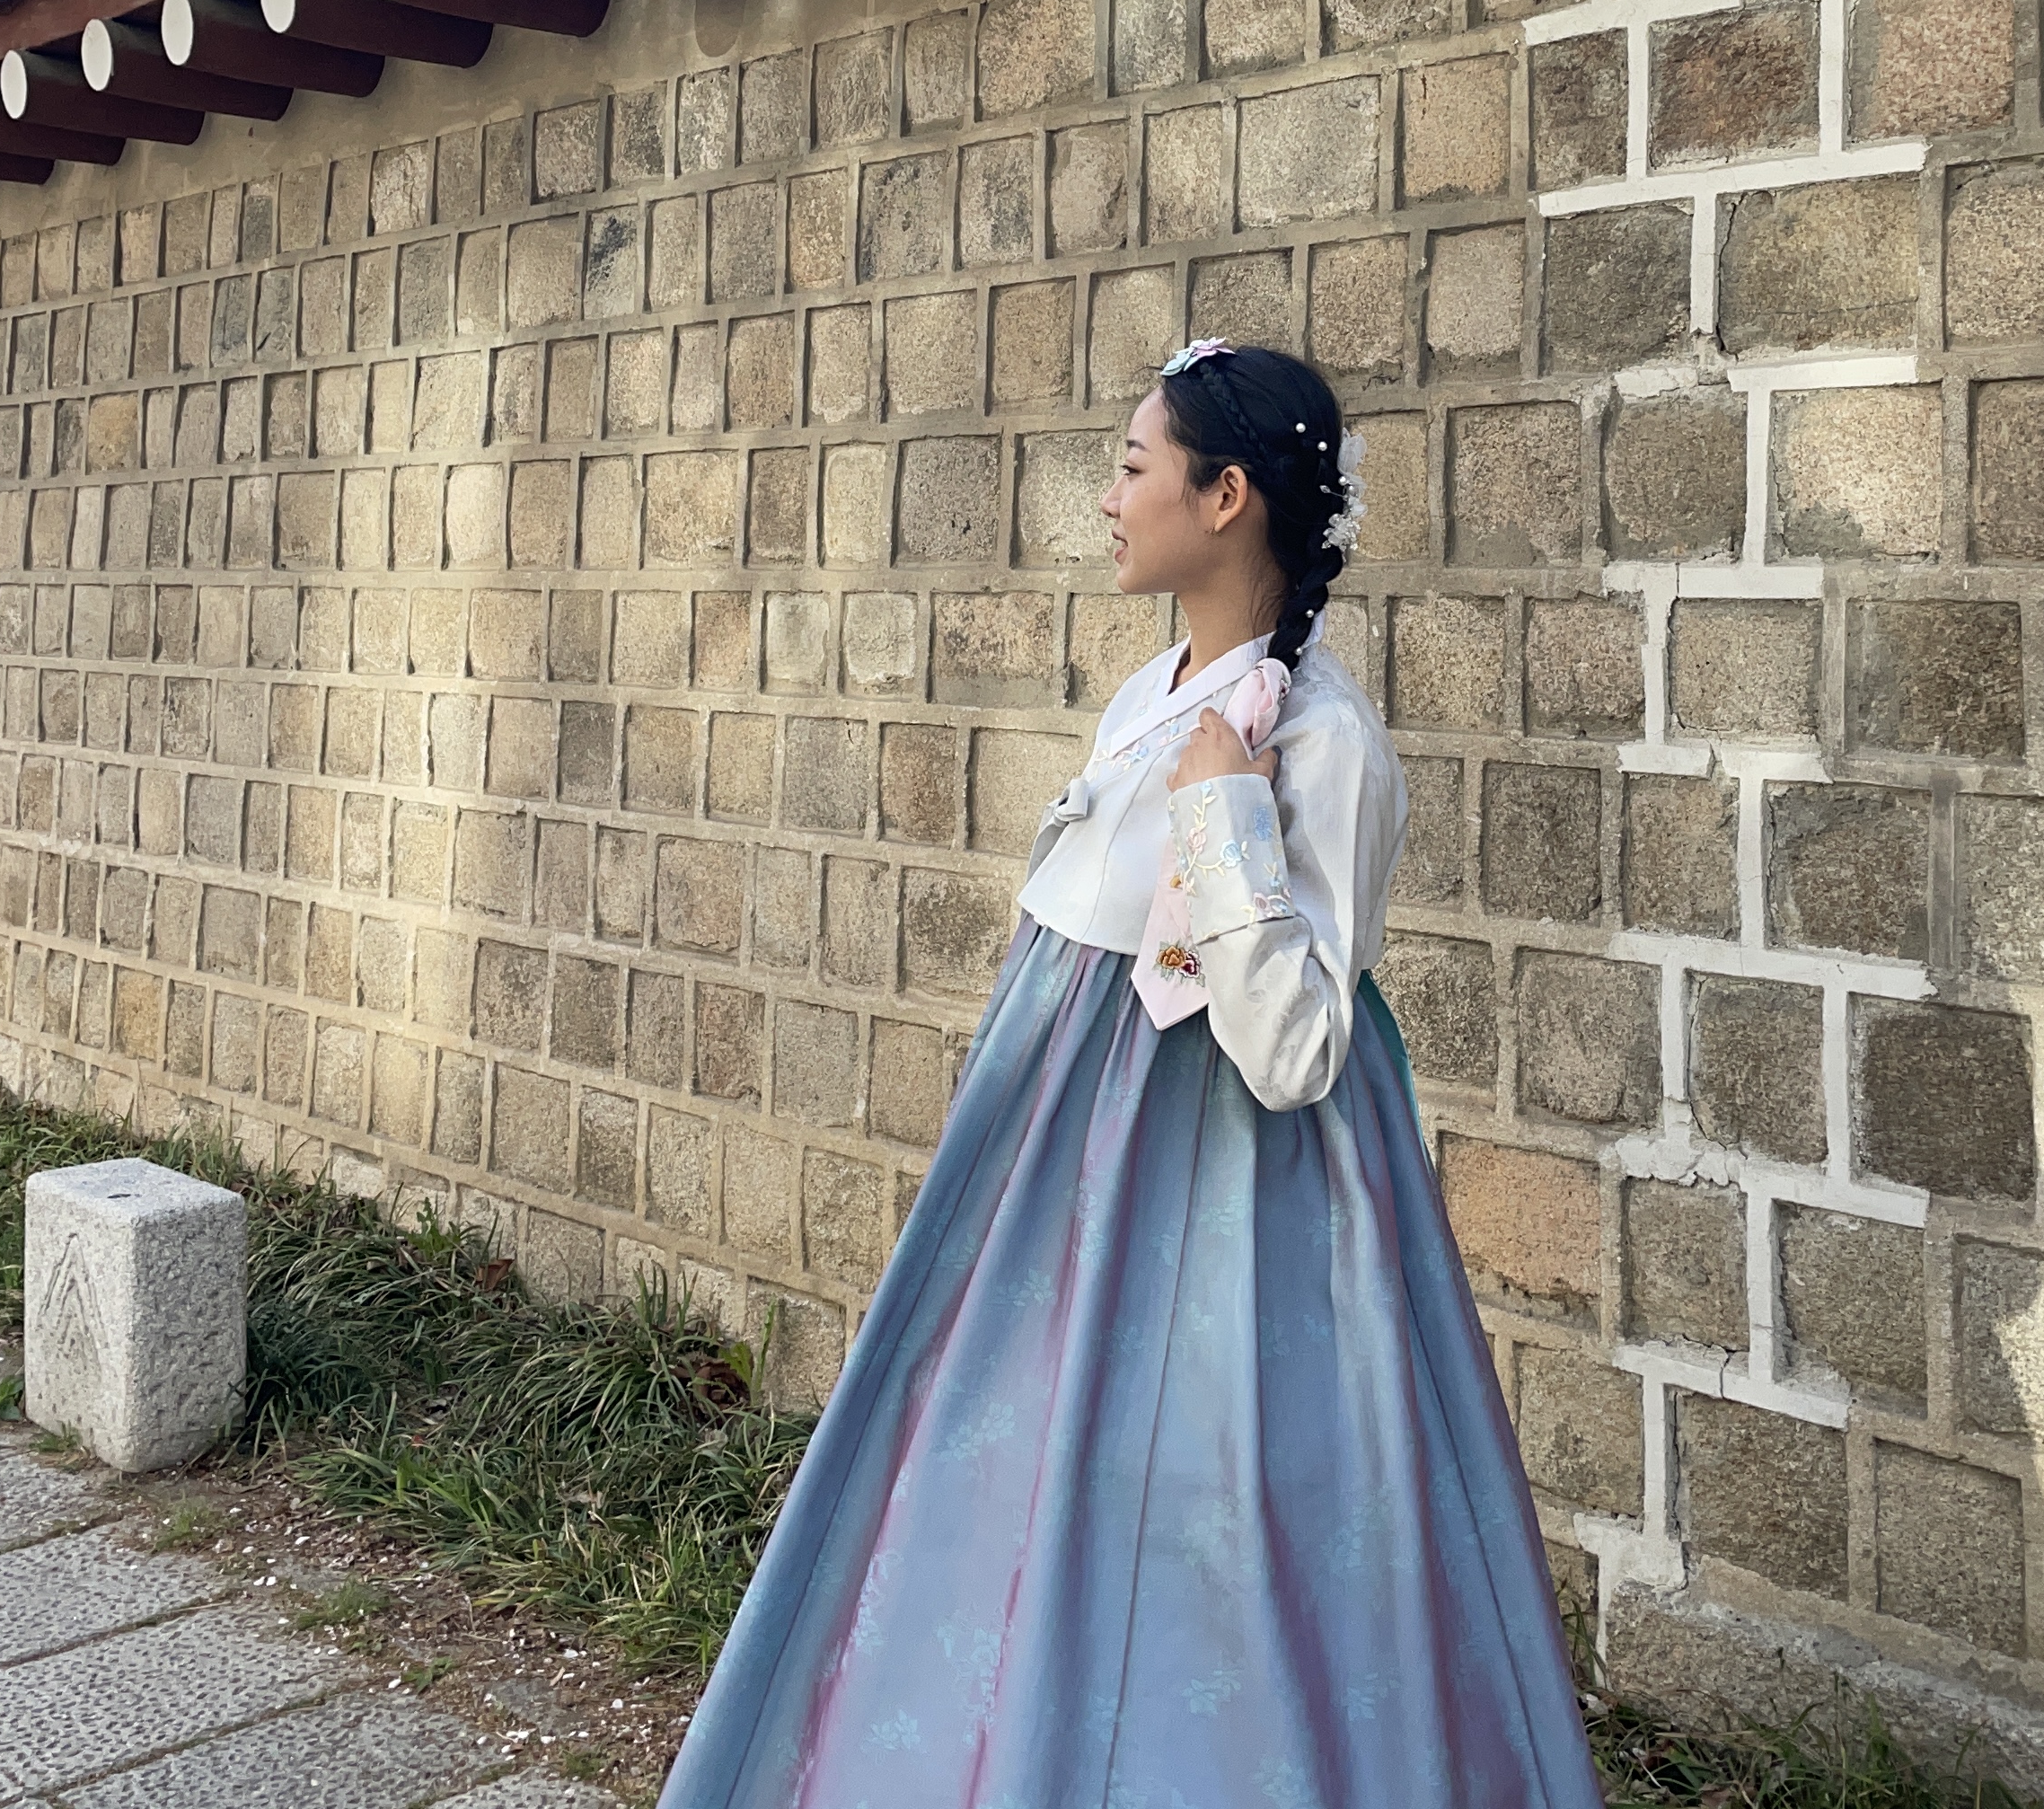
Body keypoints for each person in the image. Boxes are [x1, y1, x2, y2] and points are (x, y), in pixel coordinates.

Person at [663, 340, 1604, 1808]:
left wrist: (1229, 814)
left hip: (1223, 1204)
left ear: (1226, 496)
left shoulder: (1327, 746)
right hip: (1059, 1186)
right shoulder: (1149, 691)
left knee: (1209, 1537)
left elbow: (1295, 1053)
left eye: (1131, 466)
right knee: (1002, 1499)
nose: (1108, 499)